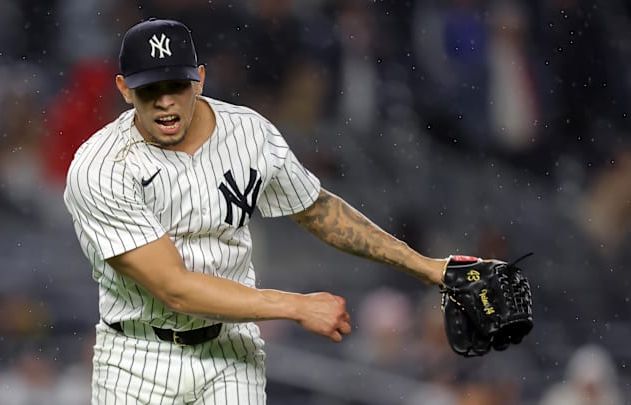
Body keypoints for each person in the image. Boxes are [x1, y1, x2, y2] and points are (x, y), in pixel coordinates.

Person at [63, 18, 449, 404]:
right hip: (139, 358)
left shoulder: (249, 133)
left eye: (176, 85)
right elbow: (174, 288)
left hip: (232, 350)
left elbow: (317, 209)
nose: (165, 101)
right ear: (124, 90)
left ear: (198, 79)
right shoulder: (100, 167)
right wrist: (296, 306)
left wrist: (430, 268)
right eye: (150, 89)